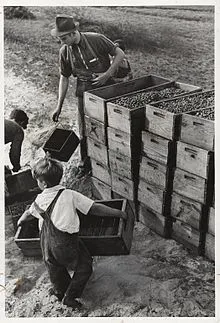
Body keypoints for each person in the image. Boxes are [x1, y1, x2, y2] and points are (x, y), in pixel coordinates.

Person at [17, 156, 127, 310]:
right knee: (84, 266)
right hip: (65, 243)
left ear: (43, 183)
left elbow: (28, 214)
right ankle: (70, 296)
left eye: (37, 181)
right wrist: (118, 213)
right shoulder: (69, 194)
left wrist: (20, 221)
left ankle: (60, 291)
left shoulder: (38, 200)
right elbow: (94, 208)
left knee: (55, 269)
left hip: (46, 245)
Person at [51, 15, 126, 178]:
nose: (62, 42)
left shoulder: (96, 39)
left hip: (106, 87)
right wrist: (59, 106)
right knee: (84, 129)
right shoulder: (64, 51)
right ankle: (85, 164)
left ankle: (115, 160)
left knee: (112, 125)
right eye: (60, 39)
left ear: (73, 33)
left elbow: (119, 54)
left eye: (64, 38)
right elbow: (64, 78)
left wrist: (107, 74)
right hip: (84, 90)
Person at [4, 109, 29, 173]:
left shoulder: (5, 122)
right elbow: (15, 153)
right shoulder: (18, 130)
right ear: (22, 122)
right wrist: (17, 168)